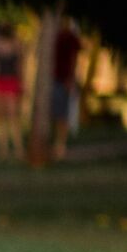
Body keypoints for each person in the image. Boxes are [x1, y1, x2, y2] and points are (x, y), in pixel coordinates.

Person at [0, 27, 24, 161]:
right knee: (1, 118)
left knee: (13, 117)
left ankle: (18, 148)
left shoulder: (16, 47)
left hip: (11, 82)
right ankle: (3, 150)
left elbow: (19, 68)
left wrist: (21, 83)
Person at [49, 21, 82, 162]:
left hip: (64, 80)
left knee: (63, 114)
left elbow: (75, 59)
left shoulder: (70, 37)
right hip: (52, 79)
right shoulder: (52, 35)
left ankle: (60, 145)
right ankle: (55, 144)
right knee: (54, 114)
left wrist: (71, 78)